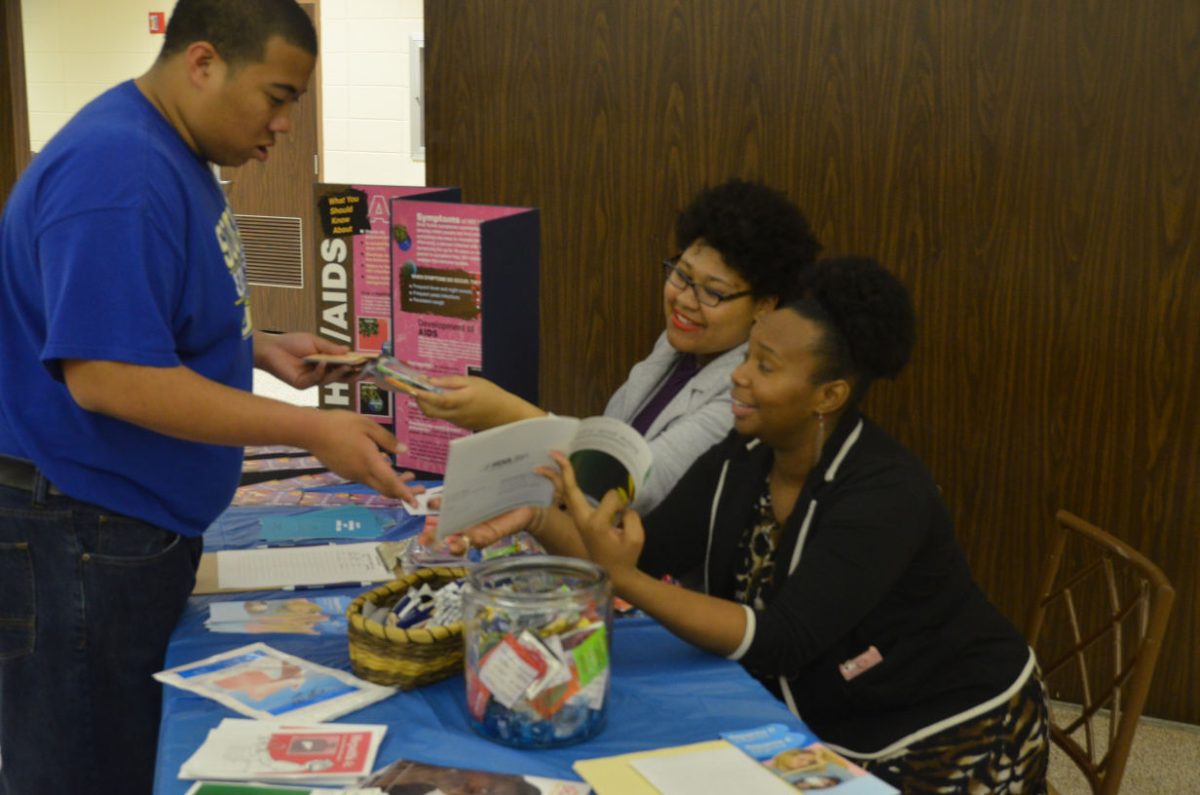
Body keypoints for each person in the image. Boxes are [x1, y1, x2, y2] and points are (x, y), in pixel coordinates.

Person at [0, 2, 419, 792]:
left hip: (123, 525)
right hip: (77, 533)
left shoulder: (171, 152)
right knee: (89, 769)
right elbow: (107, 375)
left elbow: (142, 320)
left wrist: (255, 348)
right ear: (202, 64)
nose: (285, 123)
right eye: (278, 95)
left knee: (130, 750)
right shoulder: (118, 169)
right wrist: (310, 432)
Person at [455, 258, 1049, 792]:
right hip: (810, 703)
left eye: (764, 366)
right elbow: (648, 550)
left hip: (939, 728)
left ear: (828, 395)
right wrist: (537, 517)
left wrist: (626, 581)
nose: (738, 377)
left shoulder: (887, 494)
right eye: (747, 357)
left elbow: (780, 639)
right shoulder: (746, 454)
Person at [413, 178, 821, 511]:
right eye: (681, 274)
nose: (683, 300)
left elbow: (632, 484)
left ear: (764, 305)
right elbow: (607, 440)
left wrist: (508, 414)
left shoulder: (746, 394)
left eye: (712, 292)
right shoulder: (679, 348)